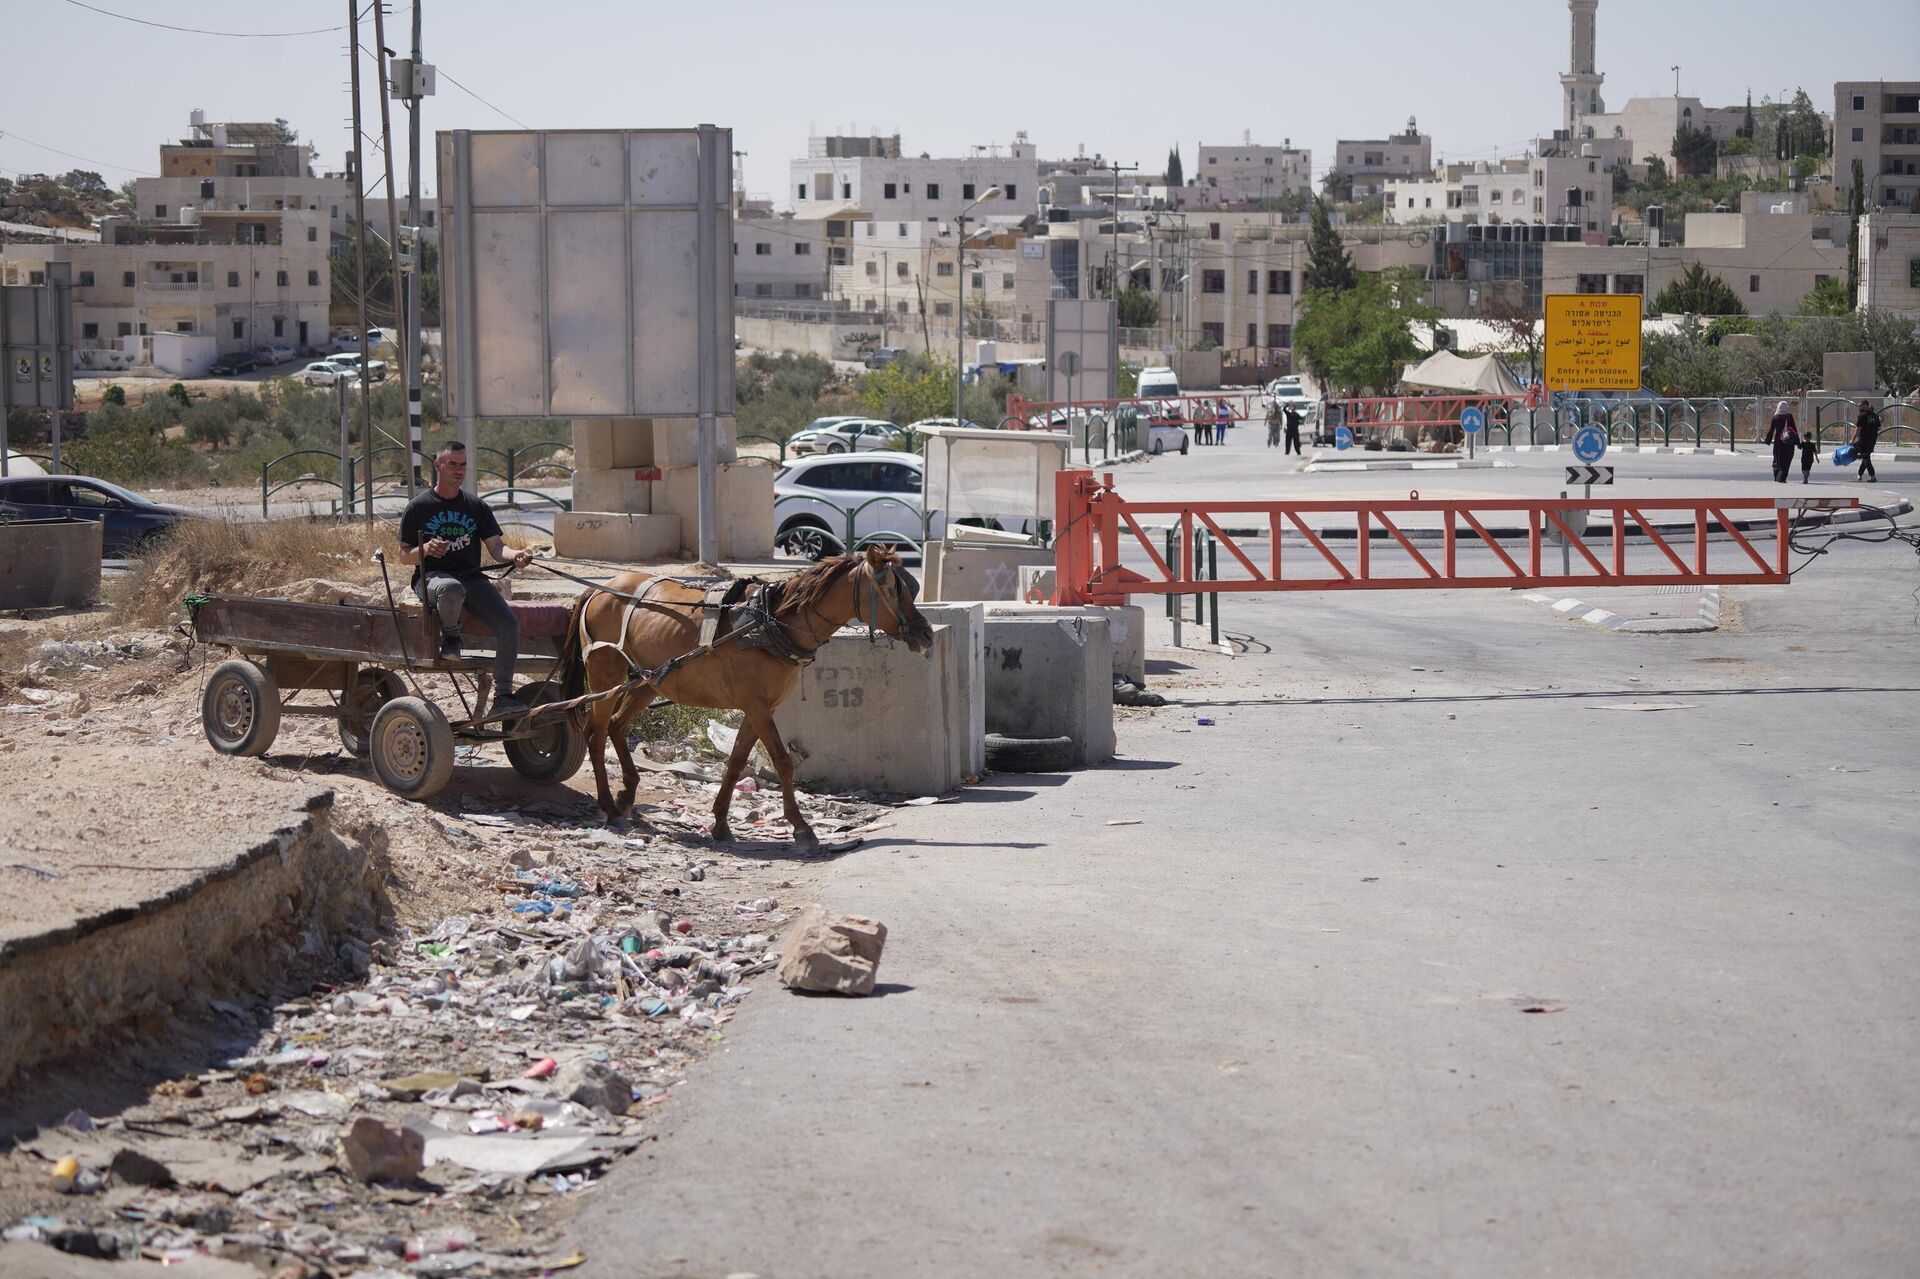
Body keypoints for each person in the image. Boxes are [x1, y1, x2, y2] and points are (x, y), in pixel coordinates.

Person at [397, 439, 533, 716]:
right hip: (433, 578)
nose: (458, 470)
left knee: (509, 624)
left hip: (472, 579)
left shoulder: (476, 506)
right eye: (452, 464)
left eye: (463, 465)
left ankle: (503, 697)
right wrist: (426, 549)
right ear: (438, 465)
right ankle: (450, 639)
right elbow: (403, 555)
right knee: (451, 588)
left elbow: (496, 548)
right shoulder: (418, 507)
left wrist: (515, 555)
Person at [1762, 400, 1798, 483]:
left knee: (1778, 458)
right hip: (1789, 442)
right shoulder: (1789, 417)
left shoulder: (1776, 417)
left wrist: (1768, 440)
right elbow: (1794, 429)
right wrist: (1797, 442)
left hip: (1779, 442)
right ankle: (1783, 477)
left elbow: (1771, 430)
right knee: (1787, 459)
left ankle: (1778, 471)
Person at [1851, 401, 1880, 482]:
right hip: (1872, 440)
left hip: (1863, 440)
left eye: (1860, 406)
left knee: (1865, 457)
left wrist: (1852, 440)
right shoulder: (1875, 416)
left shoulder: (1862, 415)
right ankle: (1859, 474)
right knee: (1866, 457)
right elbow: (1878, 428)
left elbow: (1858, 429)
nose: (1859, 408)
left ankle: (1872, 476)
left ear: (1865, 405)